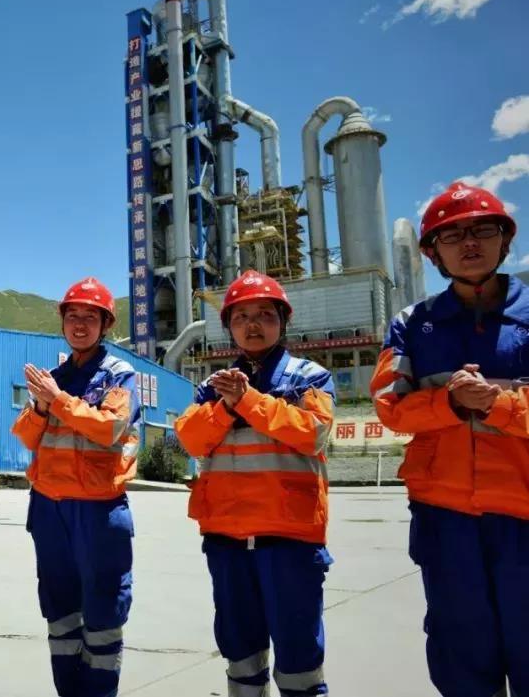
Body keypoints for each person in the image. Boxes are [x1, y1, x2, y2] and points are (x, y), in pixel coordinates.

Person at [370, 182, 529, 697]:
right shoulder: (411, 325)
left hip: (524, 516)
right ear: (431, 252)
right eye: (452, 235)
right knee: (462, 660)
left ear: (505, 239)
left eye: (483, 229)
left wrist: (499, 405)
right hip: (446, 522)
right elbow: (390, 406)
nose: (469, 242)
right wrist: (451, 404)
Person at [175, 270, 336, 697]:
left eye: (265, 314)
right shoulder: (212, 387)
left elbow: (314, 432)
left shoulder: (309, 377)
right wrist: (226, 408)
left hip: (289, 540)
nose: (252, 325)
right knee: (241, 655)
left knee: (300, 660)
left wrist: (246, 400)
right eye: (241, 316)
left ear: (283, 321)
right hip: (227, 540)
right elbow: (190, 438)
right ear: (228, 326)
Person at [12, 277, 139, 697]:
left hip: (97, 510)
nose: (80, 324)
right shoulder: (53, 377)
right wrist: (40, 405)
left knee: (103, 612)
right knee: (60, 611)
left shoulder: (119, 374)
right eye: (73, 316)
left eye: (90, 317)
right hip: (49, 509)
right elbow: (26, 436)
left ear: (106, 325)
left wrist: (58, 401)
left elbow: (111, 428)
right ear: (63, 322)